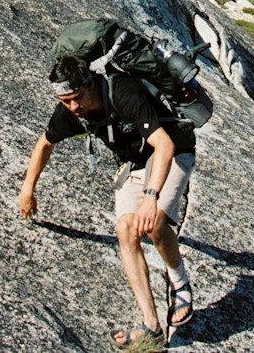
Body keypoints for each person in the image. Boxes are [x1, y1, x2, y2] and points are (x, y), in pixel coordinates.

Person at [18, 53, 195, 347]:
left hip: (173, 151)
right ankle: (152, 325)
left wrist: (151, 198)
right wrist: (28, 189)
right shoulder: (72, 111)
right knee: (126, 229)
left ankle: (179, 283)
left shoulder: (122, 93)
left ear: (90, 83)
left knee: (153, 224)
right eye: (66, 101)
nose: (74, 107)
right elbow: (45, 142)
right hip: (135, 162)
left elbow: (163, 144)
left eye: (77, 98)